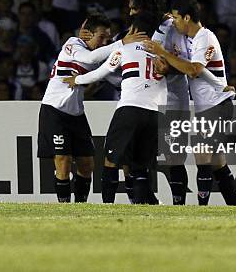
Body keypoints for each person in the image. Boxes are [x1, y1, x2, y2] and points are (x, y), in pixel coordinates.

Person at [144, 0, 236, 206]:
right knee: (217, 163)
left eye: (177, 18)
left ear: (187, 17)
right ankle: (235, 207)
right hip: (210, 105)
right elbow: (199, 70)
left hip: (216, 105)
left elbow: (194, 70)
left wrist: (162, 52)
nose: (175, 22)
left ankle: (201, 210)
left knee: (201, 156)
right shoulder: (195, 40)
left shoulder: (205, 37)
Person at [38, 14, 144, 202]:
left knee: (87, 165)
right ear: (88, 34)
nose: (104, 42)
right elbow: (89, 57)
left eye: (108, 39)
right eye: (101, 37)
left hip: (76, 114)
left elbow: (115, 79)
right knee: (63, 162)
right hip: (54, 110)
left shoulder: (99, 57)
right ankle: (64, 209)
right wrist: (121, 43)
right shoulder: (73, 44)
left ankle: (80, 207)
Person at [64, 13, 165, 204]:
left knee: (110, 162)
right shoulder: (162, 52)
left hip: (130, 108)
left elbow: (101, 72)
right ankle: (144, 206)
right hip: (156, 112)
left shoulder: (124, 49)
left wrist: (76, 79)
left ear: (134, 31)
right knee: (140, 166)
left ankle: (107, 205)